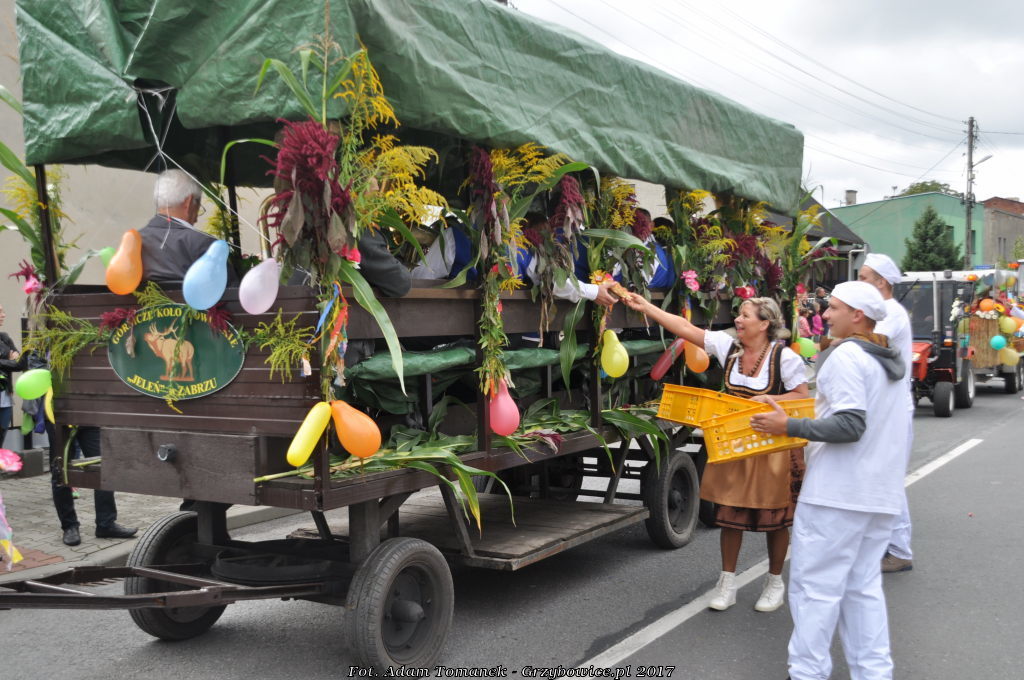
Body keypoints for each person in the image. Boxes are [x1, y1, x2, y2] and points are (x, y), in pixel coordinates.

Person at [750, 281, 909, 680]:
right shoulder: (887, 361)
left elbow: (850, 424)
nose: (824, 313)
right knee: (862, 590)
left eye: (834, 307)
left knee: (815, 589)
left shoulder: (846, 356)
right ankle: (874, 673)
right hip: (879, 494)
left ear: (857, 315)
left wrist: (787, 426)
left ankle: (807, 672)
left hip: (838, 494)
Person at [622, 294, 808, 612]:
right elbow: (684, 328)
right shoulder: (728, 347)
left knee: (776, 519)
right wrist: (647, 308)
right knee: (730, 517)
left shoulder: (784, 358)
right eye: (739, 314)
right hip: (735, 444)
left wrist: (770, 400)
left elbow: (801, 395)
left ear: (764, 323)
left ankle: (775, 582)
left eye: (745, 315)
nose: (738, 319)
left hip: (771, 447)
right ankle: (727, 582)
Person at [859, 253, 915, 573]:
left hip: (893, 410)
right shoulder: (880, 311)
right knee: (877, 476)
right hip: (881, 407)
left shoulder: (890, 312)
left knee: (889, 478)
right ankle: (881, 545)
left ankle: (899, 550)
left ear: (881, 282)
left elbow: (870, 341)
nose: (859, 282)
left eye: (864, 278)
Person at [140, 169, 239, 285]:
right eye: (199, 205)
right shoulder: (205, 244)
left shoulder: (136, 240)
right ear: (189, 202)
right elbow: (232, 292)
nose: (196, 218)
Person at [0, 304, 22, 447]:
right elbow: (13, 362)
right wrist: (9, 360)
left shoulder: (4, 338)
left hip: (5, 398)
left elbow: (20, 363)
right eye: (0, 312)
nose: (3, 315)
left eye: (3, 311)